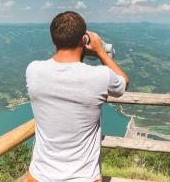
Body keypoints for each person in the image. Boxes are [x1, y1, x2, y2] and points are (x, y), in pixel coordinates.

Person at [25, 11, 129, 182]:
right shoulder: (100, 76)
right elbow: (123, 83)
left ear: (53, 40)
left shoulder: (33, 70)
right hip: (83, 177)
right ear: (83, 40)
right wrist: (101, 52)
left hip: (39, 176)